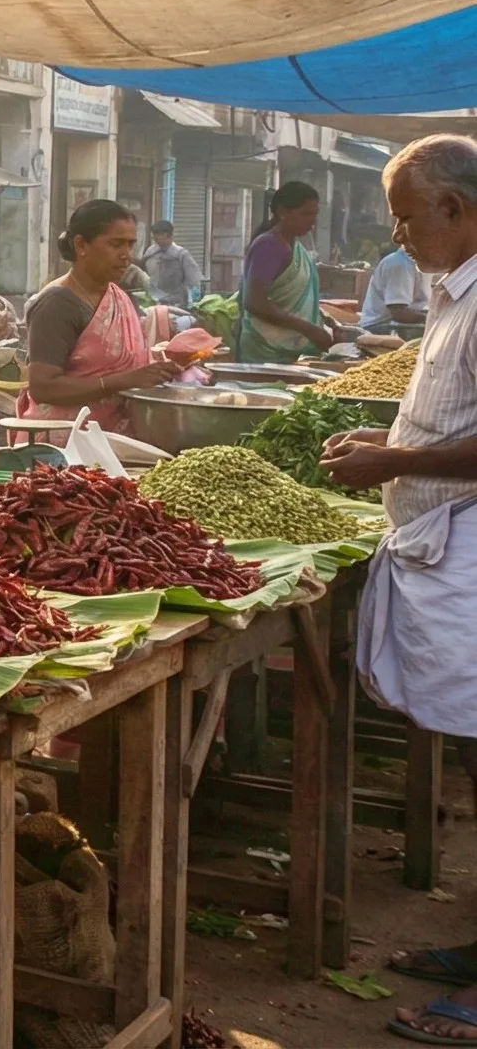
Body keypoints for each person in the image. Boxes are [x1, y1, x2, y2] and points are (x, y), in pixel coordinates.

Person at [303, 138, 477, 1042]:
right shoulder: (456, 294)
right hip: (443, 544)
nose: (399, 234)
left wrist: (394, 459)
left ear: (453, 205)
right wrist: (390, 442)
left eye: (409, 216)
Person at [19, 200, 181, 433]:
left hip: (110, 442)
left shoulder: (119, 297)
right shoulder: (58, 304)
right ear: (81, 245)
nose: (126, 255)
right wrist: (124, 381)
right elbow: (43, 387)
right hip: (61, 449)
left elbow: (123, 361)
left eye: (130, 245)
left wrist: (161, 369)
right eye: (116, 244)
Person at [237, 181, 335, 361]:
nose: (312, 221)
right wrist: (308, 329)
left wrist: (327, 322)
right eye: (305, 214)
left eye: (315, 214)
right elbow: (255, 302)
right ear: (283, 212)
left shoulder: (294, 246)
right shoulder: (268, 246)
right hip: (266, 349)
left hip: (291, 349)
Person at [363, 238, 431, 332]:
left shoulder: (424, 264)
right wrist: (433, 319)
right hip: (381, 327)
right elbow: (398, 313)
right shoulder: (400, 264)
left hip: (403, 325)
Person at [140, 220, 203, 309]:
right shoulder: (150, 252)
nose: (156, 238)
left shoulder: (181, 254)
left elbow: (194, 279)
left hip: (176, 303)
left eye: (159, 235)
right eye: (154, 235)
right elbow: (142, 272)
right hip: (152, 302)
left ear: (168, 235)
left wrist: (195, 299)